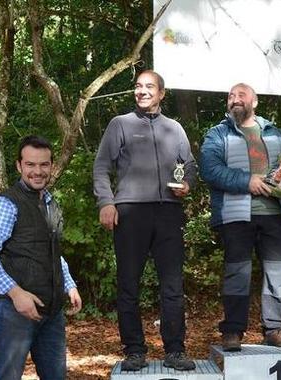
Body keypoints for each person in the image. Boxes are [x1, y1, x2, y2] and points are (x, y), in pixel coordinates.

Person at [93, 70, 196, 371]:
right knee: (128, 284)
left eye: (149, 87)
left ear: (162, 93)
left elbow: (189, 165)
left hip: (168, 212)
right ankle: (134, 350)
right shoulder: (120, 125)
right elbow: (101, 167)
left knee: (173, 286)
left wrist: (187, 184)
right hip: (130, 212)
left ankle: (175, 350)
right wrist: (106, 202)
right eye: (138, 86)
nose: (142, 91)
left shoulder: (174, 128)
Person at [0, 135, 83, 380]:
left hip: (51, 312)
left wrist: (69, 284)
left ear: (51, 166)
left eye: (43, 164)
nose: (37, 171)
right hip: (15, 312)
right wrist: (15, 293)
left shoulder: (52, 203)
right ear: (19, 166)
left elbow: (51, 252)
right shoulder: (6, 204)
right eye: (30, 164)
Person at [200, 82, 281, 352]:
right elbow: (210, 169)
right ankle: (232, 331)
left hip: (275, 213)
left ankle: (274, 328)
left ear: (254, 102)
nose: (235, 99)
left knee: (277, 273)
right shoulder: (217, 134)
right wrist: (247, 181)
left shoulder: (275, 133)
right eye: (231, 96)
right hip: (235, 215)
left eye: (241, 95)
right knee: (237, 273)